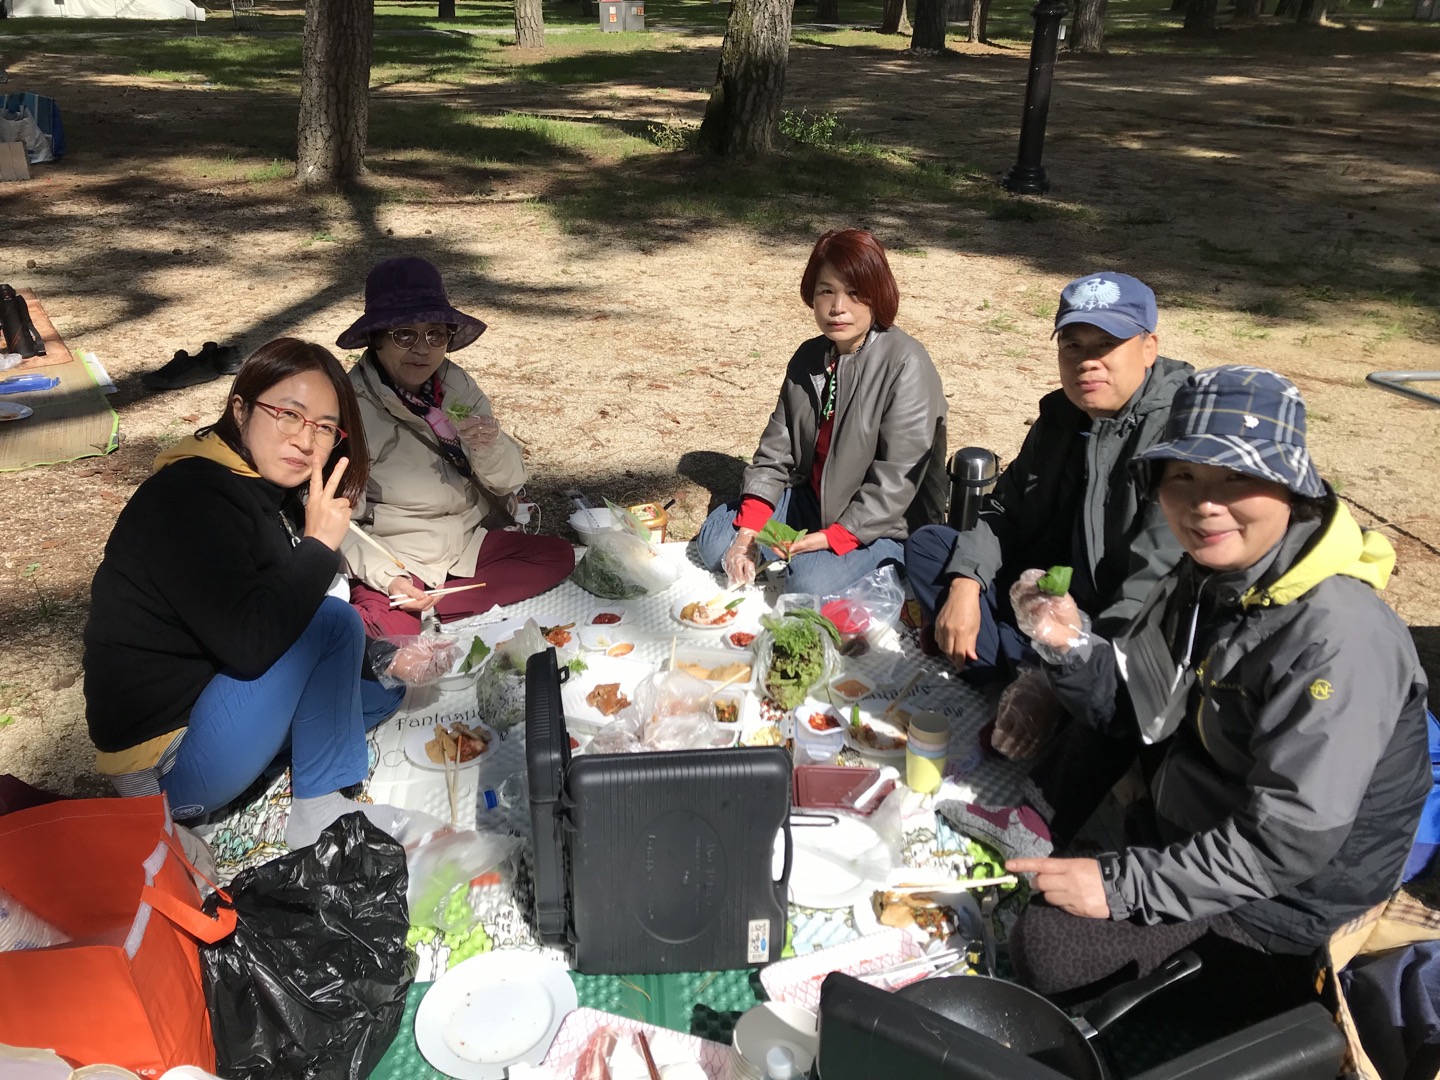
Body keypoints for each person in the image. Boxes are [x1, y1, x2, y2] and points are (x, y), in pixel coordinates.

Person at [1003, 365, 1432, 1022]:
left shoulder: (1338, 635)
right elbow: (1136, 701)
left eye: (1237, 478)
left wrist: (1121, 885)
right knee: (1088, 701)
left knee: (1048, 946)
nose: (1205, 504)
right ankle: (1040, 834)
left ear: (1293, 486)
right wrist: (1067, 643)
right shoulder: (1207, 573)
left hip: (1289, 901)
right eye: (1183, 476)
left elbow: (1285, 844)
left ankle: (1266, 996)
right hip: (1203, 811)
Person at [84, 338, 410, 849]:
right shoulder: (190, 498)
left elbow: (276, 611)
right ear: (241, 410)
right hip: (165, 765)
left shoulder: (255, 487)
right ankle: (319, 812)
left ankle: (287, 766)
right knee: (333, 624)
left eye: (325, 428)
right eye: (289, 415)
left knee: (383, 692)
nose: (305, 441)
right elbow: (253, 643)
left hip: (215, 704)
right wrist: (318, 546)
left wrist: (384, 659)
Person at [906, 272, 1192, 763]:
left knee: (1112, 714)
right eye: (1072, 345)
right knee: (931, 547)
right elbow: (1002, 509)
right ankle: (1015, 672)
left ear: (1149, 348)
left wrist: (1064, 657)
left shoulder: (1177, 436)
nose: (1087, 361)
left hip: (1109, 626)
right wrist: (966, 586)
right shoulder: (1061, 416)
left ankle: (1029, 683)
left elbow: (1152, 590)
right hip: (1042, 593)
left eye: (1107, 344)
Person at [694, 228, 948, 597]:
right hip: (810, 503)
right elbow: (775, 453)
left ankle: (873, 565)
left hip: (882, 525)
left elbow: (897, 480)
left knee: (808, 584)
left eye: (855, 292)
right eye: (826, 291)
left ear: (878, 294)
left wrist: (832, 538)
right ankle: (792, 552)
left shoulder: (906, 364)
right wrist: (747, 534)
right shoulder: (809, 357)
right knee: (716, 544)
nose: (838, 307)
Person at [336, 257, 575, 638]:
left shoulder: (456, 386)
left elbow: (508, 481)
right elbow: (339, 523)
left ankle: (429, 608)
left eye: (436, 335)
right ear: (376, 337)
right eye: (404, 335)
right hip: (399, 554)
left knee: (557, 556)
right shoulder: (349, 407)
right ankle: (407, 607)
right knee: (385, 626)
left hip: (465, 543)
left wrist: (489, 447)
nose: (423, 350)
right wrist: (389, 577)